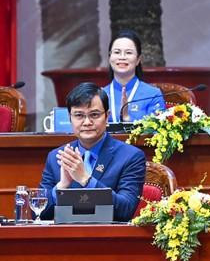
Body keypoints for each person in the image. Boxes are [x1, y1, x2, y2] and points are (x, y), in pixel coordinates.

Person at [39, 82, 146, 221]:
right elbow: (38, 213)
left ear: (107, 117)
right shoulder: (56, 157)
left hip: (109, 239)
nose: (87, 122)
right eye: (79, 115)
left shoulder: (131, 156)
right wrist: (61, 187)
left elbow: (125, 210)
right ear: (70, 118)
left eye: (94, 115)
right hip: (65, 238)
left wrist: (85, 179)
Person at [103, 30, 165, 123]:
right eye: (117, 52)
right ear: (110, 57)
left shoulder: (153, 95)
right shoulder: (99, 96)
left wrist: (128, 119)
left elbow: (158, 132)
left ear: (138, 60)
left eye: (128, 53)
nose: (122, 57)